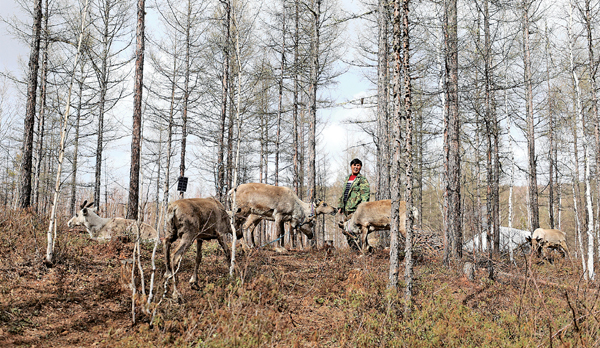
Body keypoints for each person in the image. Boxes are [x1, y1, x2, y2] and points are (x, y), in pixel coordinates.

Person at [337, 158, 370, 249]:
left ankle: (362, 249)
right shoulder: (347, 178)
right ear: (351, 166)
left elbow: (365, 195)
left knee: (357, 230)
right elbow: (344, 193)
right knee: (347, 230)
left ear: (360, 167)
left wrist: (363, 209)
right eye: (354, 165)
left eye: (358, 165)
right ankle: (354, 249)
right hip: (347, 208)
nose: (356, 167)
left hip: (356, 209)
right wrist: (340, 206)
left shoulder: (362, 179)